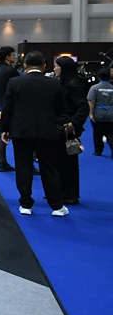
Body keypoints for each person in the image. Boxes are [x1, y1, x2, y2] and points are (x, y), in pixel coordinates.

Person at [0, 51, 69, 217]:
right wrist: (57, 125)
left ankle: (25, 204)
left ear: (24, 65)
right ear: (44, 66)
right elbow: (63, 110)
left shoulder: (14, 82)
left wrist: (4, 129)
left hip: (20, 131)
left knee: (23, 167)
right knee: (49, 168)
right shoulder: (54, 84)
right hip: (47, 131)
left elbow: (7, 109)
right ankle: (57, 206)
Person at [54, 56, 89, 205]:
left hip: (67, 128)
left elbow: (83, 107)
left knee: (68, 163)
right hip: (59, 126)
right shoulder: (62, 82)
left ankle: (70, 194)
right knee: (59, 161)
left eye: (57, 66)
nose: (54, 69)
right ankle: (60, 191)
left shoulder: (74, 85)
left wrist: (73, 123)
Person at [0, 46, 20, 173]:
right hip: (12, 107)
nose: (15, 57)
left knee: (1, 135)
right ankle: (25, 164)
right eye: (13, 55)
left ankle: (2, 162)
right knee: (19, 137)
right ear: (7, 57)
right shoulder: (12, 71)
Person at [88, 67, 113, 156]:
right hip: (111, 113)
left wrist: (91, 113)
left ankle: (98, 151)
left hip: (98, 113)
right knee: (111, 133)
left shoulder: (94, 88)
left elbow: (92, 101)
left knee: (97, 133)